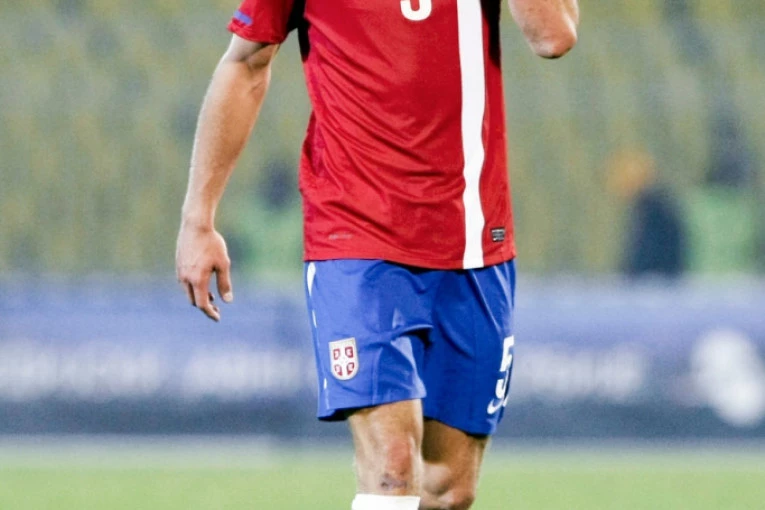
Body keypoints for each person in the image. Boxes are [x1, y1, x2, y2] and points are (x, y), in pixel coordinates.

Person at [176, 1, 578, 508]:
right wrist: (198, 218)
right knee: (393, 464)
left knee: (448, 489)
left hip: (475, 239)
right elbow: (244, 63)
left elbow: (553, 36)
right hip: (357, 236)